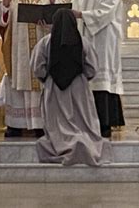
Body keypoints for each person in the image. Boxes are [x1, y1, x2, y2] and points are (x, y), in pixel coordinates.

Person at [30, 9, 112, 165]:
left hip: (54, 87)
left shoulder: (45, 42)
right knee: (81, 120)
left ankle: (61, 143)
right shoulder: (83, 42)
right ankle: (82, 141)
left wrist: (47, 79)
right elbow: (92, 67)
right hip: (79, 88)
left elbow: (37, 67)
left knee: (58, 122)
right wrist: (81, 78)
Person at [0, 0, 57, 138]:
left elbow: (58, 13)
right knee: (19, 81)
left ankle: (40, 124)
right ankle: (16, 124)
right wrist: (4, 6)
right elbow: (2, 21)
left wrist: (53, 2)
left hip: (41, 40)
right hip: (18, 47)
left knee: (40, 79)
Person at [71, 0, 125, 138]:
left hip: (102, 38)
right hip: (85, 38)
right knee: (88, 80)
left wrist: (82, 15)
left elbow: (106, 12)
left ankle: (105, 123)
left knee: (102, 79)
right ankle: (87, 122)